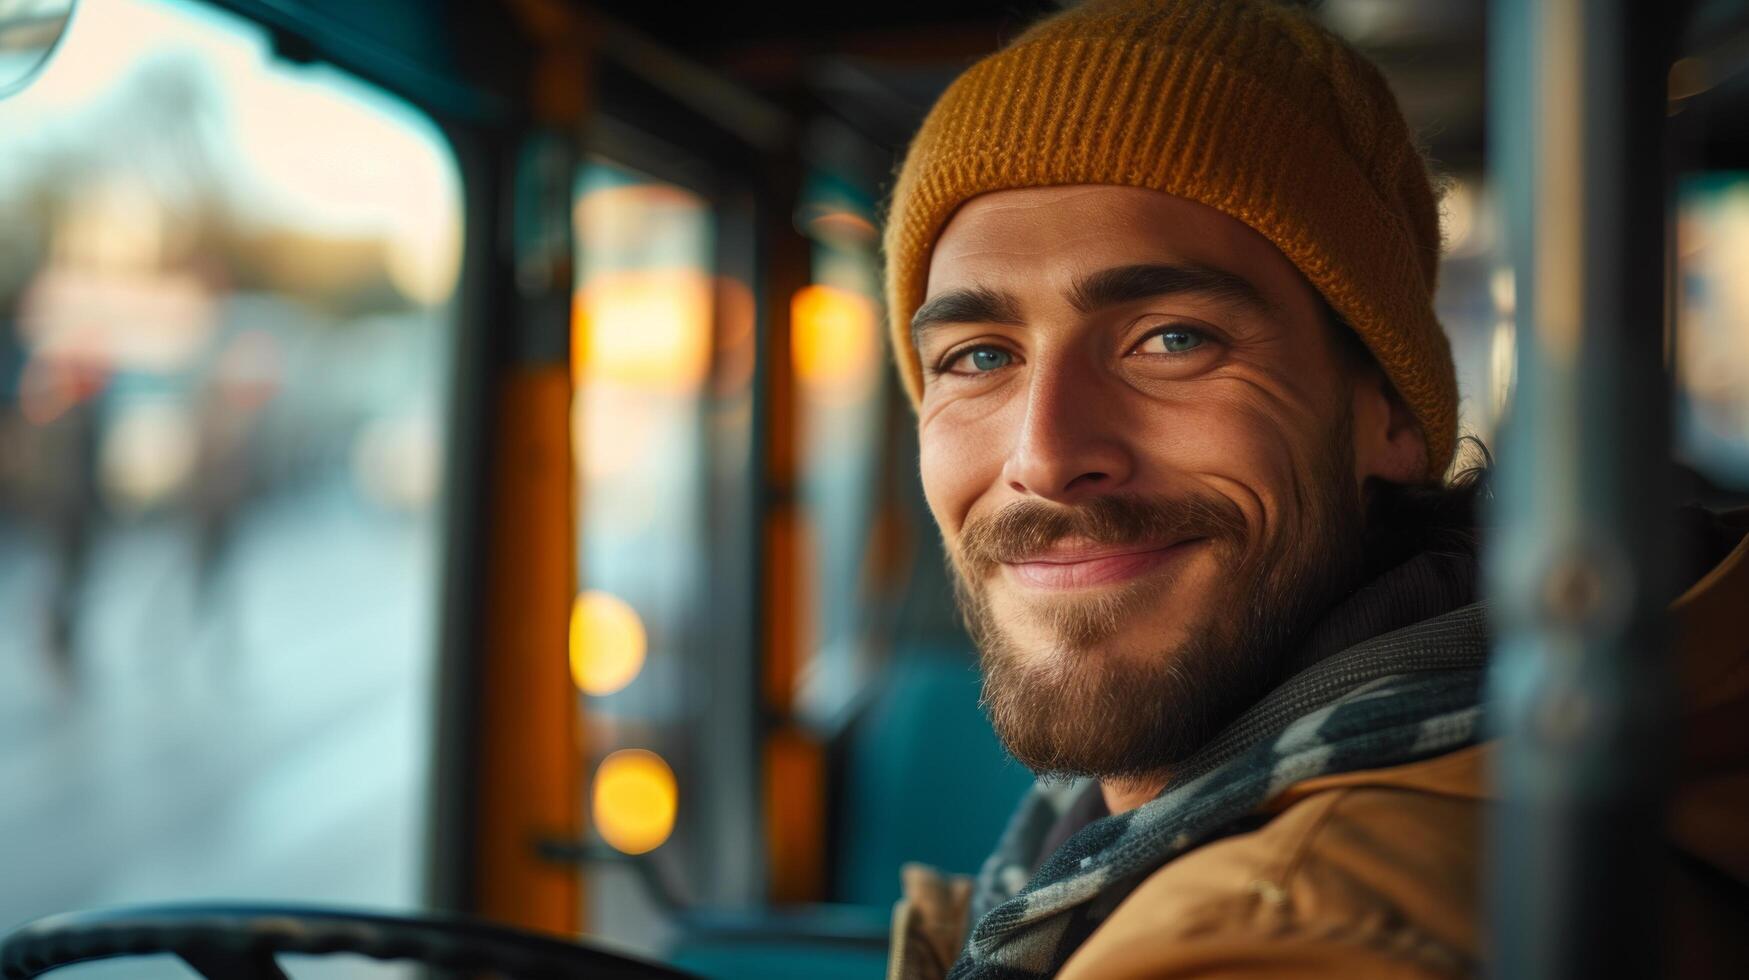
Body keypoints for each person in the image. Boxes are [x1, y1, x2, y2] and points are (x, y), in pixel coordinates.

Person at [878, 1, 1749, 977]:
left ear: (1389, 414)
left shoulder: (1288, 927)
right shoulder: (1112, 840)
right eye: (978, 355)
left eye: (1172, 339)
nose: (1043, 455)